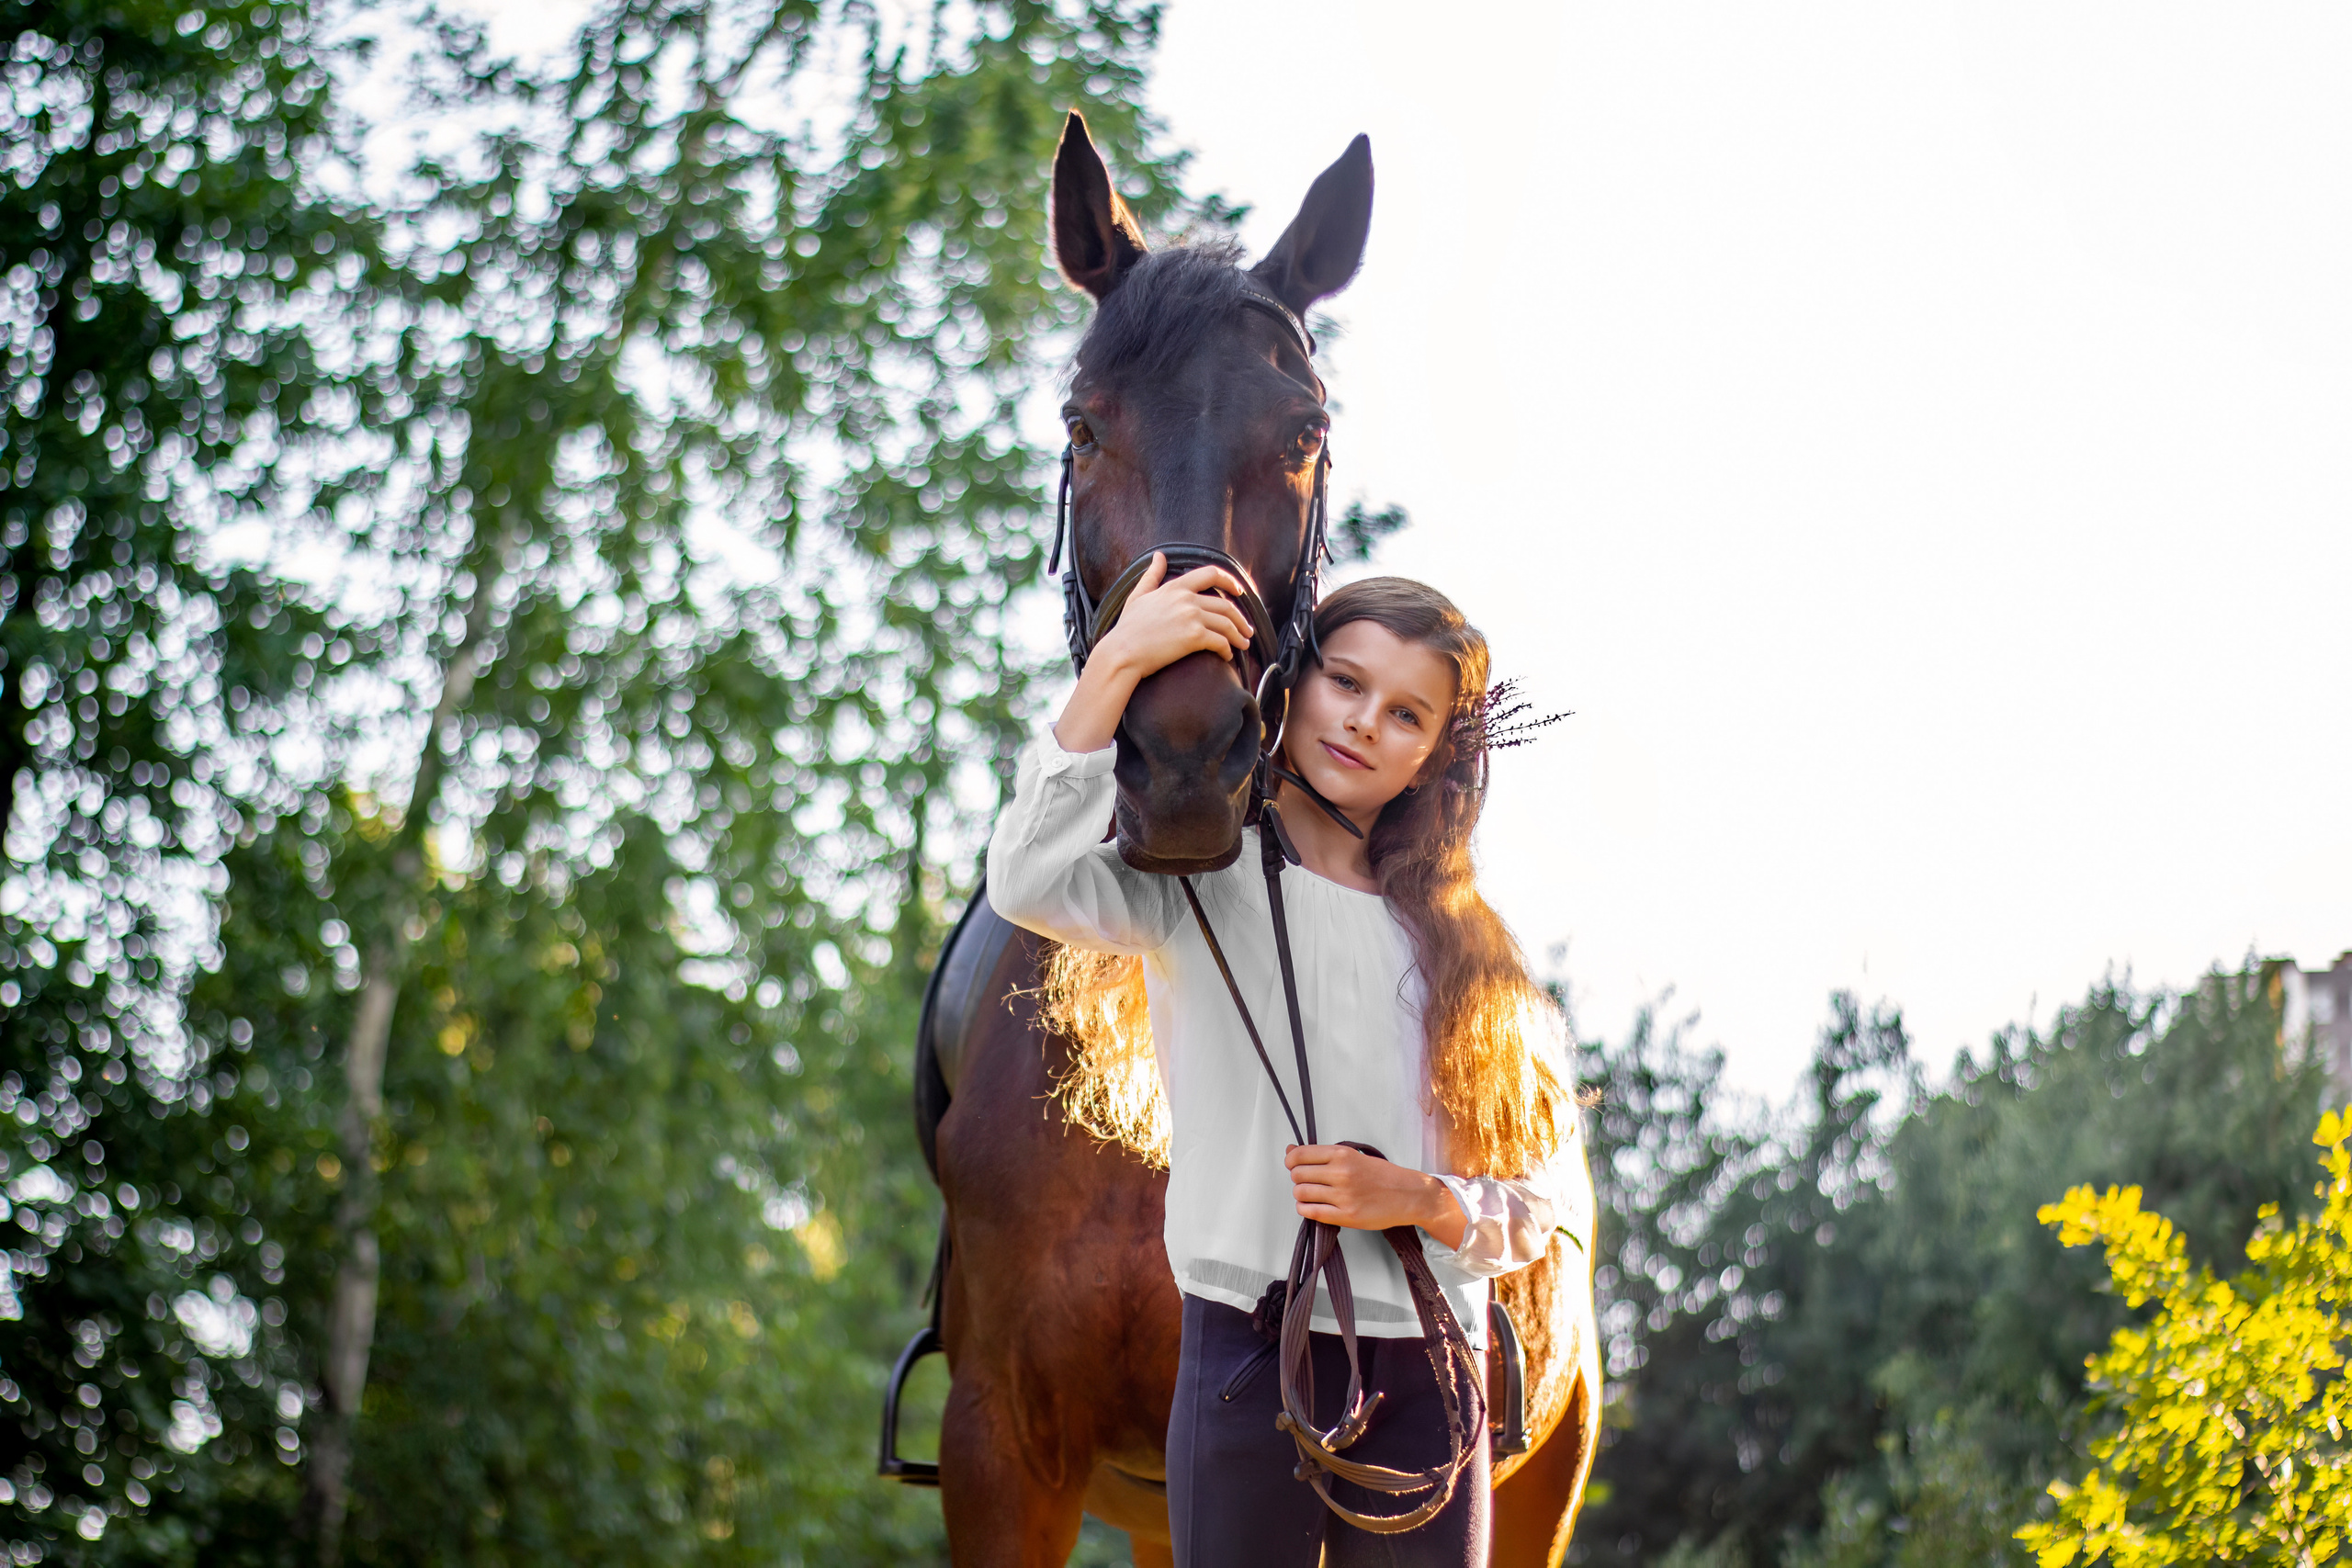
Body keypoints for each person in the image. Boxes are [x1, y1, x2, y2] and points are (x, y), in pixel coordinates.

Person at [988, 560, 1589, 1567]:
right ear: (1293, 682)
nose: (1363, 722)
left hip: (1436, 1371)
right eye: (1345, 683)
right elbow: (1029, 877)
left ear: (1435, 754)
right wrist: (1120, 660)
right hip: (1244, 1355)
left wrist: (1421, 1196)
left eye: (1406, 714)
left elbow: (1537, 1199)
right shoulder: (1198, 879)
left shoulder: (1467, 946)